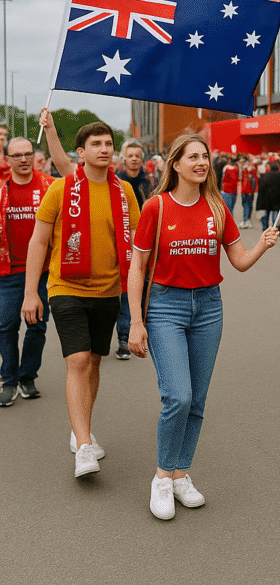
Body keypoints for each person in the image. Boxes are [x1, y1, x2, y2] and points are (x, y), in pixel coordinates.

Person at [126, 134, 278, 520]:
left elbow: (239, 261)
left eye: (205, 156)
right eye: (192, 156)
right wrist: (136, 323)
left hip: (209, 307)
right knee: (177, 395)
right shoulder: (156, 207)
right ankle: (161, 477)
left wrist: (261, 244)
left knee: (197, 400)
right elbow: (137, 268)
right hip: (165, 308)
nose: (201, 162)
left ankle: (181, 474)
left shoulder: (216, 208)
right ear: (174, 164)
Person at [22, 122, 140, 478]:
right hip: (66, 287)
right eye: (96, 144)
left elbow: (138, 246)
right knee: (77, 361)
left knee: (93, 362)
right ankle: (85, 446)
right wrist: (31, 292)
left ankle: (81, 430)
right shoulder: (61, 189)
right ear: (82, 152)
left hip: (109, 291)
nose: (104, 149)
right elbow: (38, 242)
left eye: (108, 143)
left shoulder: (126, 193)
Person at [0, 112, 74, 406]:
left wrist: (52, 130)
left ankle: (27, 375)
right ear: (7, 160)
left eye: (28, 154)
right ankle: (9, 378)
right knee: (6, 326)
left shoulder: (48, 186)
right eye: (16, 155)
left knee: (37, 326)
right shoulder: (1, 190)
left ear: (35, 156)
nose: (23, 159)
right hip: (7, 272)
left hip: (44, 271)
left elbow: (71, 178)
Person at [113, 140, 155, 359]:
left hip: (146, 241)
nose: (134, 159)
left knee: (140, 290)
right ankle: (122, 335)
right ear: (124, 158)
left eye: (138, 155)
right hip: (122, 240)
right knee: (123, 291)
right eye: (131, 156)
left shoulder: (150, 181)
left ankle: (132, 333)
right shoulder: (116, 182)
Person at [256, 161, 280, 231]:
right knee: (275, 214)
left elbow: (261, 188)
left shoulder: (265, 176)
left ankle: (265, 228)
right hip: (277, 199)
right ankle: (275, 227)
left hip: (267, 199)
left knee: (266, 214)